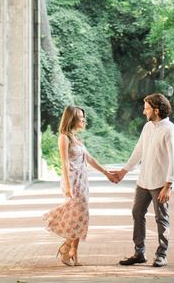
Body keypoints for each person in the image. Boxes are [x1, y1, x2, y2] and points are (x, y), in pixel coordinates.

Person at [111, 93, 174, 268]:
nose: (144, 111)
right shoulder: (148, 127)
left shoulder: (170, 131)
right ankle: (139, 252)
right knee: (137, 213)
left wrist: (169, 185)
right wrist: (123, 171)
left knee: (161, 218)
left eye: (147, 108)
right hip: (143, 181)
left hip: (160, 183)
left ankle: (161, 254)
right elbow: (138, 150)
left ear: (156, 110)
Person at [43, 105, 115, 266]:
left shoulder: (76, 139)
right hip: (72, 181)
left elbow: (89, 159)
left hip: (83, 182)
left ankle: (73, 252)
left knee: (81, 216)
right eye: (80, 117)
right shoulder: (64, 137)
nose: (83, 120)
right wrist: (68, 186)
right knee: (77, 216)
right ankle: (66, 248)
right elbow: (64, 162)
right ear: (72, 119)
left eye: (84, 117)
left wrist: (106, 173)